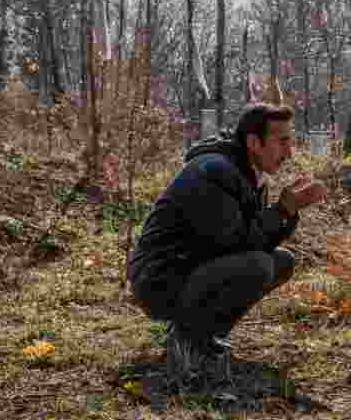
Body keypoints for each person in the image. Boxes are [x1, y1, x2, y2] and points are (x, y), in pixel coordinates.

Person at [127, 103, 328, 385]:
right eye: (282, 141)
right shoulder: (215, 171)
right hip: (160, 279)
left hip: (190, 269)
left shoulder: (248, 174)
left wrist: (288, 212)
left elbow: (256, 240)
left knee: (281, 262)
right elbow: (234, 243)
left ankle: (203, 338)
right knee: (258, 266)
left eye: (290, 141)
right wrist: (281, 211)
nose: (289, 152)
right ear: (254, 142)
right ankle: (189, 342)